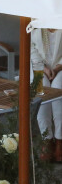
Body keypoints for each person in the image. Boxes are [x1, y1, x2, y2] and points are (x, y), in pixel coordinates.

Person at [31, 28, 62, 162]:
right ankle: (47, 139)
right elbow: (31, 48)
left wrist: (56, 69)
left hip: (60, 67)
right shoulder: (36, 20)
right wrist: (44, 69)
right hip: (39, 67)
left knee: (58, 89)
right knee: (40, 91)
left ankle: (60, 139)